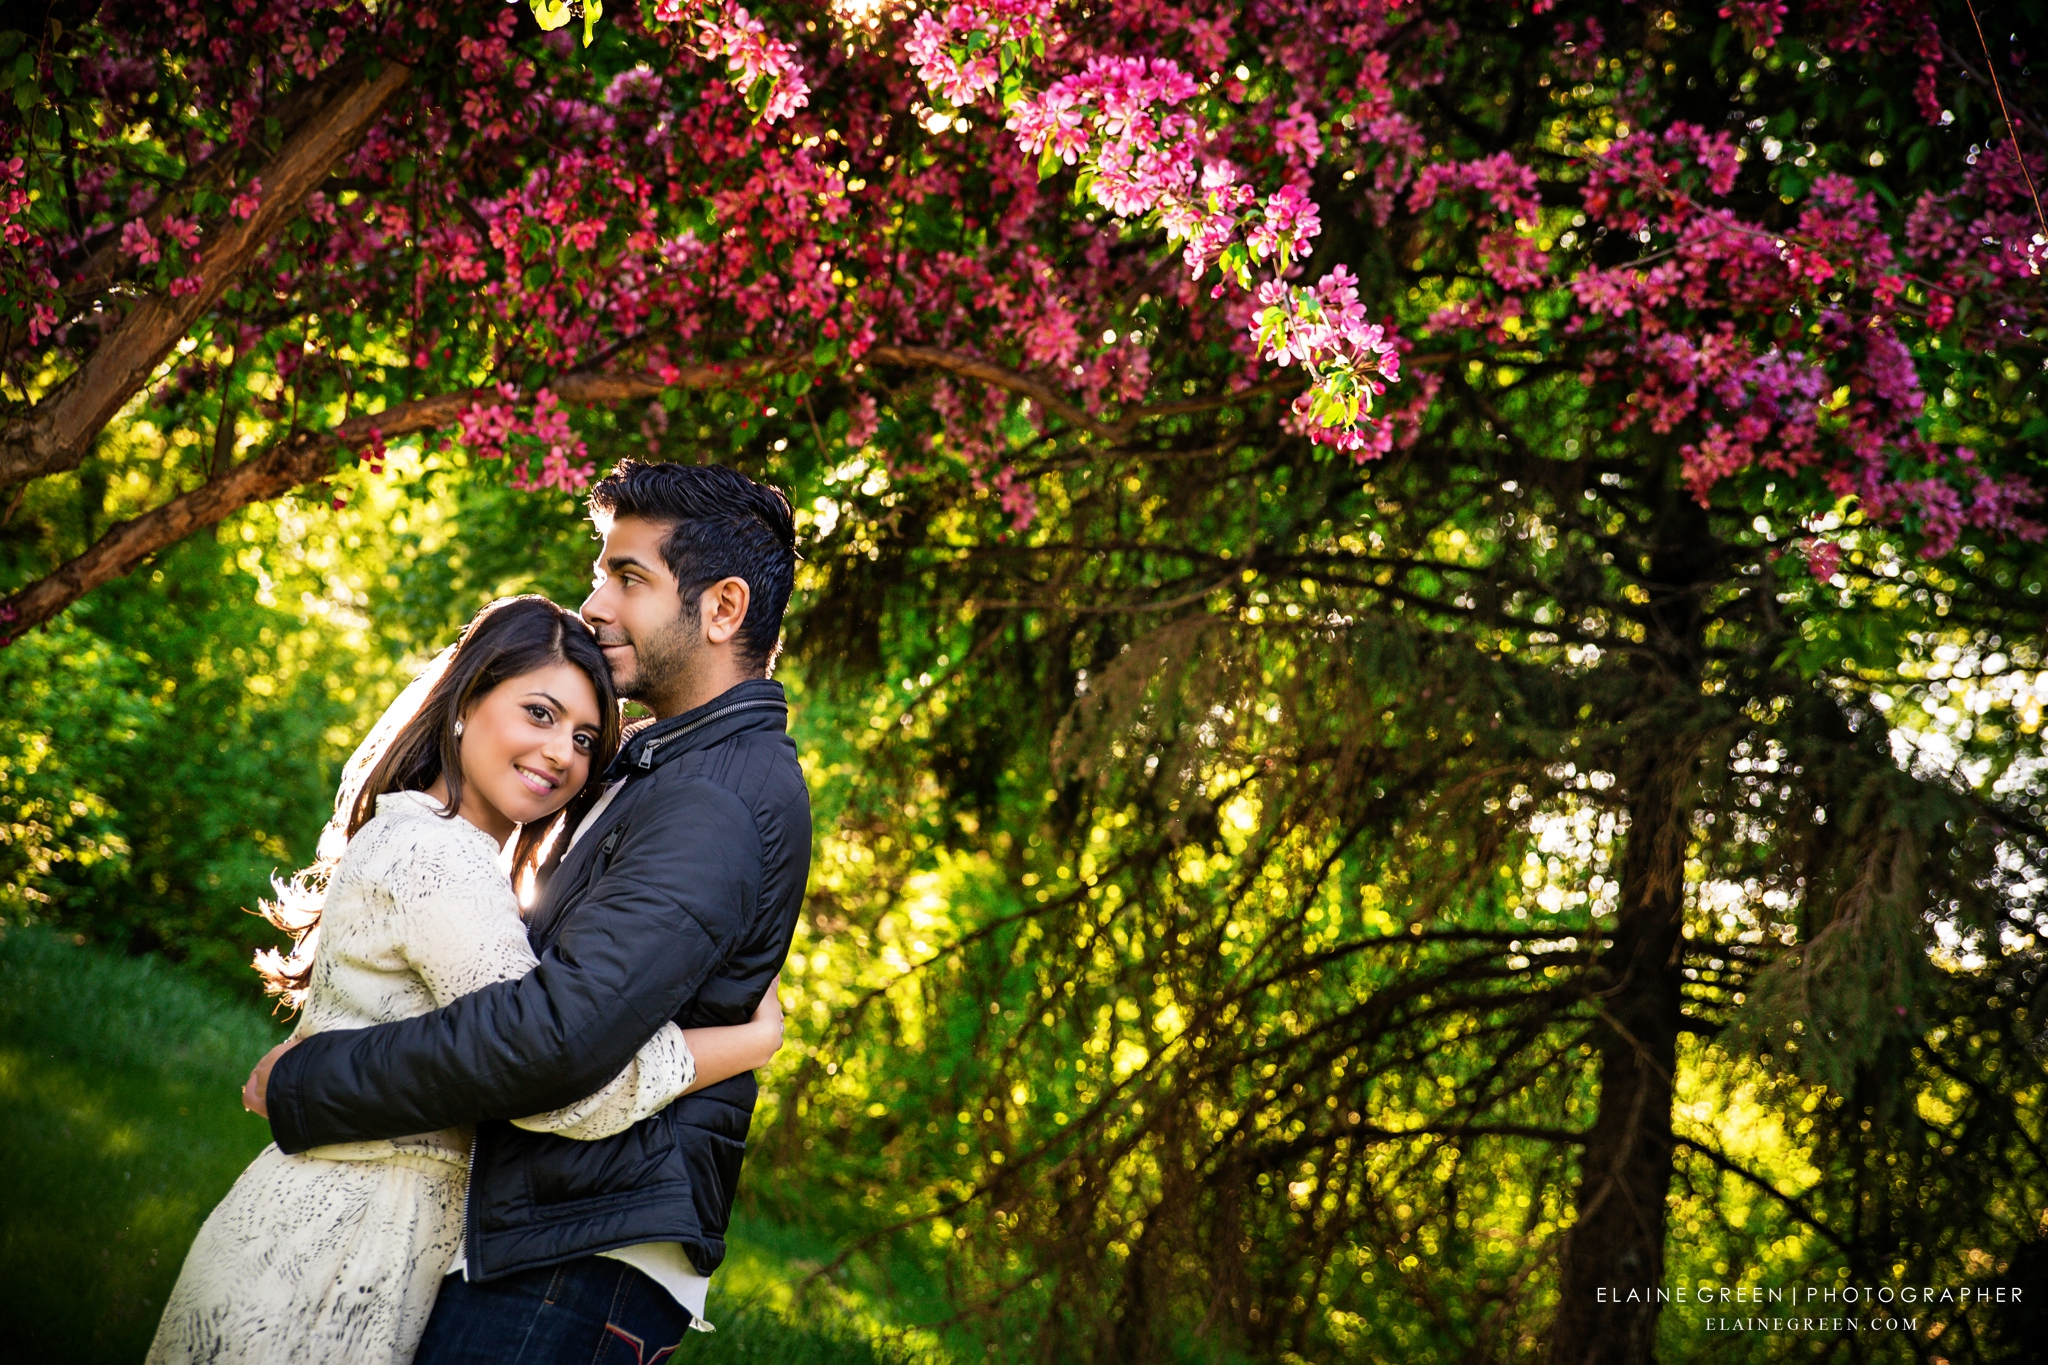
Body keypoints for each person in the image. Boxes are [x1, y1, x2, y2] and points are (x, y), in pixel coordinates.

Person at [246, 460, 812, 1364]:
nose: (596, 603)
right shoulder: (677, 769)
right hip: (557, 1234)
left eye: (628, 577)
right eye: (599, 571)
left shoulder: (714, 797)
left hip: (582, 1257)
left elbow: (555, 1041)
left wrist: (312, 1082)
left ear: (724, 607)